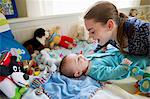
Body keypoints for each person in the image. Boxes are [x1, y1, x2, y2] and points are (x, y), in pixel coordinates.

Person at [84, 1, 150, 56]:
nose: (89, 36)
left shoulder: (142, 31)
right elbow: (102, 42)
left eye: (92, 32)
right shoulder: (109, 34)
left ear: (110, 25)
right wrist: (94, 51)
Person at [59, 52, 149, 81]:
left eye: (78, 54)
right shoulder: (95, 71)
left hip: (117, 53)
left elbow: (100, 55)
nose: (81, 56)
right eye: (78, 59)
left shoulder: (88, 60)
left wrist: (103, 50)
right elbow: (112, 73)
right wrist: (124, 66)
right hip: (126, 62)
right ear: (78, 73)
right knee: (143, 60)